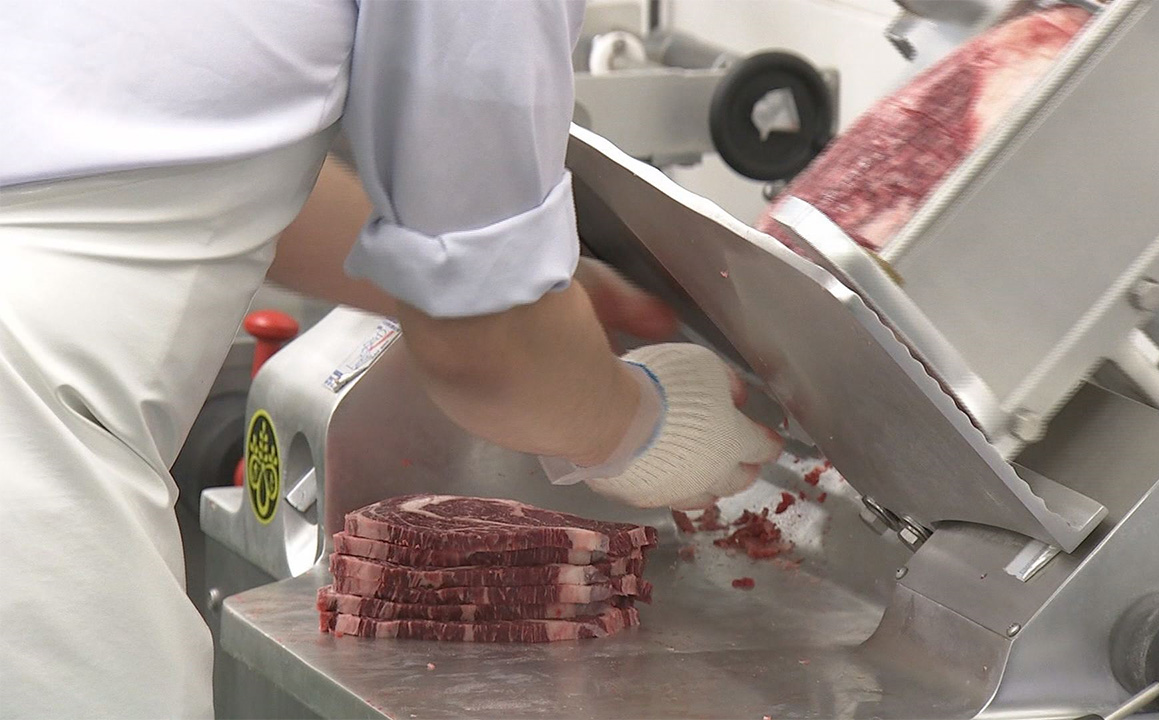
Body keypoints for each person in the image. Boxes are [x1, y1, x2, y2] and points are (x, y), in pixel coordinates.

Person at [0, 1, 783, 717]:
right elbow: (487, 354)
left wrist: (519, 276)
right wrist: (647, 425)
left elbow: (195, 170)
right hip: (33, 485)